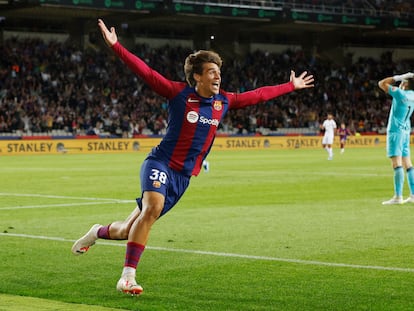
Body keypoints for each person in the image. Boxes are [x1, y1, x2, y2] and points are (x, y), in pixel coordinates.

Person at [71, 18, 314, 296]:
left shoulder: (224, 102)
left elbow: (257, 95)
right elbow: (147, 73)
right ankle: (127, 277)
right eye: (211, 71)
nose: (217, 76)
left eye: (218, 71)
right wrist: (117, 47)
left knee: (128, 229)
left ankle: (96, 232)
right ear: (197, 76)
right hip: (159, 163)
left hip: (183, 178)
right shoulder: (178, 94)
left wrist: (290, 86)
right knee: (151, 209)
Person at [378, 72, 414, 205]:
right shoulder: (413, 96)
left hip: (395, 131)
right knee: (408, 164)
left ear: (405, 84)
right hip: (406, 130)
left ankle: (398, 197)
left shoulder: (401, 94)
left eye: (402, 82)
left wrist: (398, 77)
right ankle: (413, 194)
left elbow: (381, 83)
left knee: (397, 163)